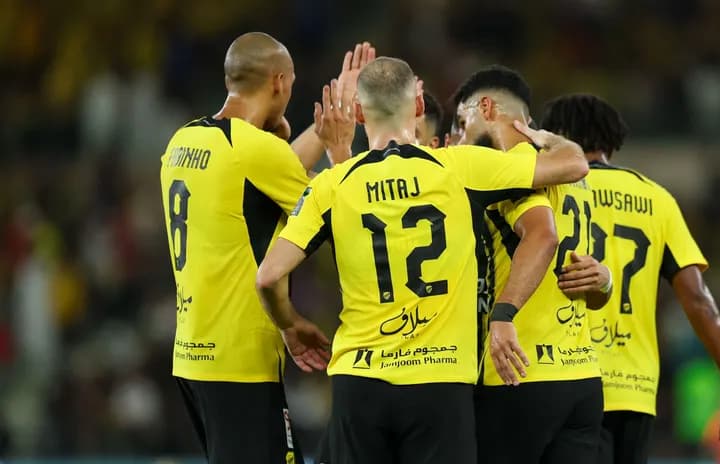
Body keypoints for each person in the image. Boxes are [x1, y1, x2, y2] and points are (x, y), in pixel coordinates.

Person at [255, 56, 588, 464]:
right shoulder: (462, 166)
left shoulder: (332, 184)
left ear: (358, 113)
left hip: (360, 380)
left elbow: (268, 276)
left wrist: (291, 325)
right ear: (417, 104)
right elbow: (574, 166)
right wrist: (551, 138)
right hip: (440, 383)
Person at [159, 33, 373, 464]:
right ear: (278, 82)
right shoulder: (255, 151)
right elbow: (340, 210)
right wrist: (341, 147)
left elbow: (268, 175)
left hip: (192, 357)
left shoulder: (184, 141)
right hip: (239, 363)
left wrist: (333, 114)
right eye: (291, 84)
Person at [540, 94, 720, 464]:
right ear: (611, 142)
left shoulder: (549, 189)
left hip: (564, 378)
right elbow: (697, 299)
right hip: (633, 389)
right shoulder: (657, 199)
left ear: (557, 136)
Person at [451, 65, 610, 464]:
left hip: (520, 368)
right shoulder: (572, 176)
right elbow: (586, 288)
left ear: (485, 107)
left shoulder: (509, 169)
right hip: (581, 376)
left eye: (460, 122)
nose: (458, 138)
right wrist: (604, 282)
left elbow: (543, 235)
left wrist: (503, 314)